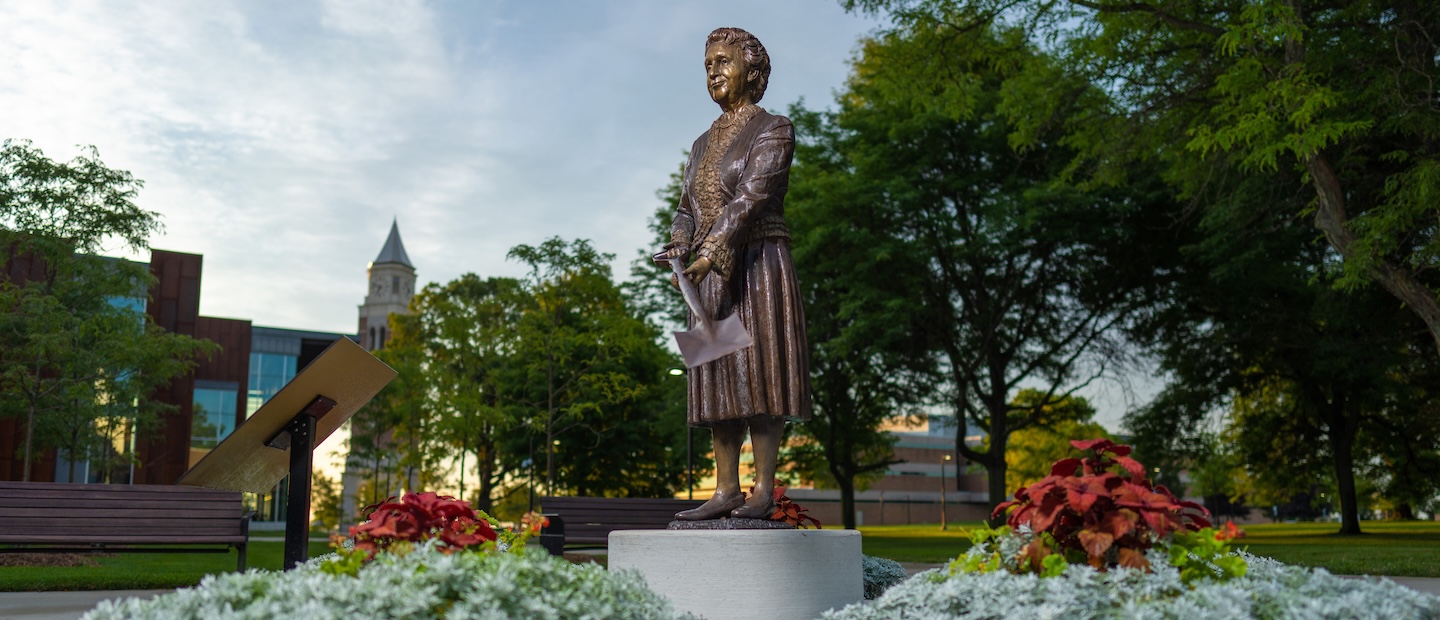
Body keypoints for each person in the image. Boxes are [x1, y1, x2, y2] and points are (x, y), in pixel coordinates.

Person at [658, 27, 812, 521]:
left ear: (753, 70)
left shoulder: (775, 128)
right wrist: (681, 245)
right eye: (707, 66)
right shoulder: (701, 142)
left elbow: (750, 198)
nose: (714, 73)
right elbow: (687, 207)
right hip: (706, 274)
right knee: (714, 376)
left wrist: (709, 252)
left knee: (761, 372)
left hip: (756, 264)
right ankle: (726, 489)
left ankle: (763, 490)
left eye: (723, 62)